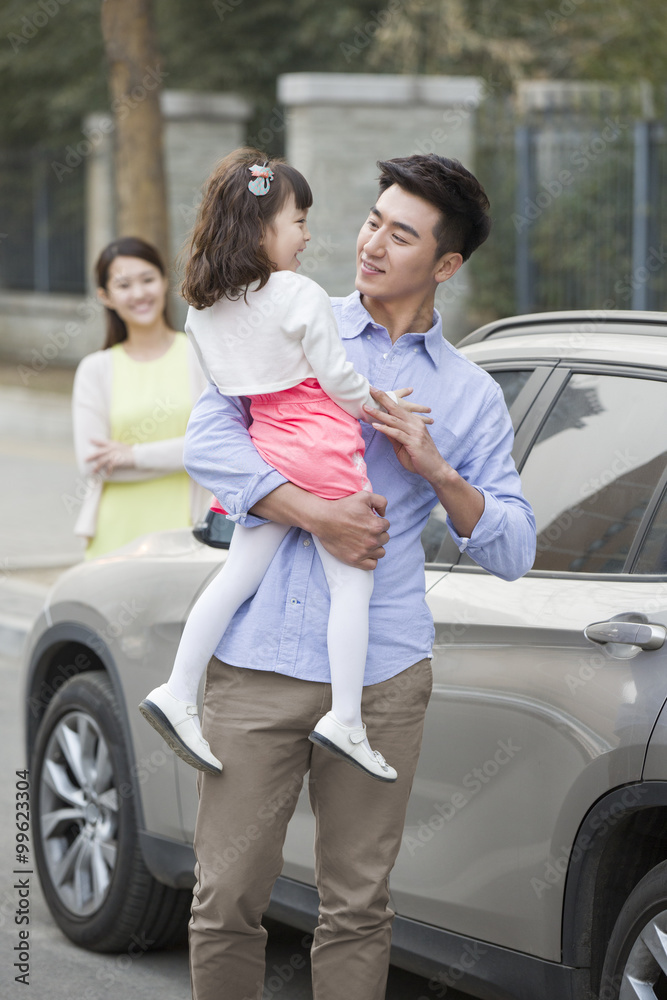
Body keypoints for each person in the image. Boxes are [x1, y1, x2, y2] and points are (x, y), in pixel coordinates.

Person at [184, 153, 537, 1000]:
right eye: (373, 220)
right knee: (225, 897)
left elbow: (513, 547)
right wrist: (315, 512)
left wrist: (439, 470)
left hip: (380, 672)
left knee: (356, 906)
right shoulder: (277, 310)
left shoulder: (468, 394)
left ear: (444, 265)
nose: (370, 242)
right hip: (257, 658)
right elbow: (208, 441)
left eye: (400, 233)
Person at [139, 150, 432, 782]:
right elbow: (337, 379)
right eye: (298, 220)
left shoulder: (203, 310)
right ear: (261, 227)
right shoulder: (298, 295)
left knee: (234, 577)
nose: (307, 236)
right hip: (323, 442)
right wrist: (379, 404)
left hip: (269, 442)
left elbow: (232, 392)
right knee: (353, 582)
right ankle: (346, 718)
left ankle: (178, 688)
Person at [72, 237, 210, 559]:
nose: (139, 294)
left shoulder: (200, 353)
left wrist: (132, 455)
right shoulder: (96, 370)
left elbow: (212, 444)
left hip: (189, 532)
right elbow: (93, 464)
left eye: (147, 280)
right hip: (114, 537)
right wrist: (181, 456)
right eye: (123, 285)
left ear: (164, 282)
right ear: (105, 296)